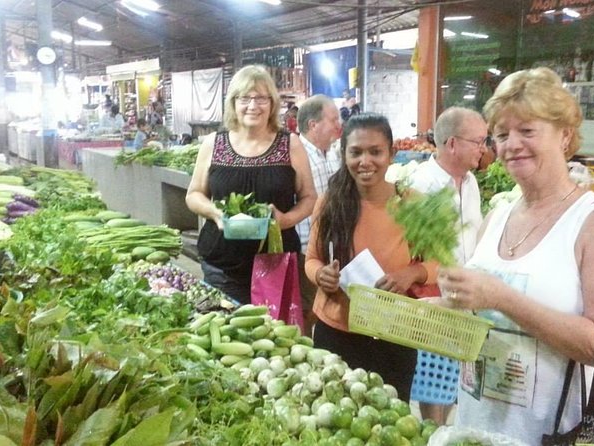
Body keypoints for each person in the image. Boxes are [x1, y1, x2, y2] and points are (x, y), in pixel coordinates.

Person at [438, 67, 594, 444]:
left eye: (527, 131)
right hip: (480, 425)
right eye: (501, 134)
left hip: (556, 432)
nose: (511, 144)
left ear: (565, 136)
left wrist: (501, 297)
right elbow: (483, 318)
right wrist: (447, 303)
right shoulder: (497, 217)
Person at [305, 113, 439, 400]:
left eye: (375, 152)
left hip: (393, 335)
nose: (365, 161)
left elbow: (440, 264)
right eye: (355, 152)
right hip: (336, 331)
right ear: (344, 155)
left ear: (392, 154)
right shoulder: (329, 203)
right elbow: (312, 259)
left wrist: (411, 274)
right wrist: (321, 275)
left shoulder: (412, 203)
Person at [186, 65, 317, 304]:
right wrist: (215, 214)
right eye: (245, 98)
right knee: (227, 331)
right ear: (233, 103)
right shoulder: (214, 144)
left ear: (272, 103)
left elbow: (309, 198)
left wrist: (285, 221)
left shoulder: (290, 145)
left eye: (261, 98)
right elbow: (194, 194)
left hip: (275, 261)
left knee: (272, 334)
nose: (253, 106)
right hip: (222, 265)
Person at [407, 107, 488, 425]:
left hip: (467, 297)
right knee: (433, 381)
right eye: (478, 140)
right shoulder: (421, 185)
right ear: (452, 143)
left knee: (456, 382)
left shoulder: (471, 184)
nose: (484, 147)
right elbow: (413, 251)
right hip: (434, 297)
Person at [294, 94, 343, 334]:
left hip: (328, 250)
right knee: (308, 311)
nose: (338, 125)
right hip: (305, 251)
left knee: (320, 310)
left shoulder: (330, 154)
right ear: (313, 125)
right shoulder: (299, 156)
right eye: (333, 119)